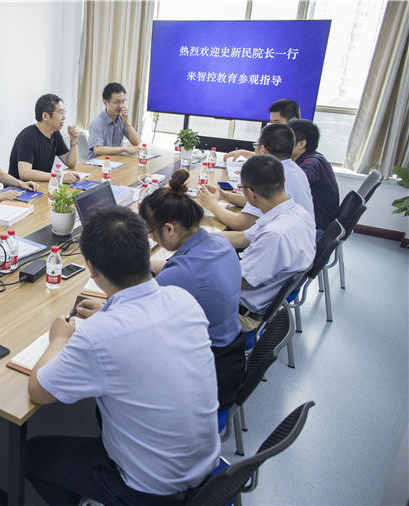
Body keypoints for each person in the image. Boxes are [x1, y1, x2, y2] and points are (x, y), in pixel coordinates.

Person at [26, 207, 220, 506]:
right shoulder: (183, 300)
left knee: (33, 455)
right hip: (206, 470)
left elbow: (38, 391)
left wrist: (59, 340)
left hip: (150, 489)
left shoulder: (99, 336)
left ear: (92, 268)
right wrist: (109, 312)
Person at [139, 169, 244, 409]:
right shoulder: (218, 242)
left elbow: (136, 319)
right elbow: (175, 267)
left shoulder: (182, 276)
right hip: (231, 355)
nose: (152, 238)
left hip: (207, 377)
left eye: (150, 232)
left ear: (169, 229)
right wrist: (142, 264)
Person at [223, 156, 316, 332]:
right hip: (258, 299)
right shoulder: (298, 214)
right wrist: (197, 236)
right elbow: (242, 238)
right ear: (284, 181)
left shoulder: (274, 235)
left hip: (240, 313)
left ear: (251, 193)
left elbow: (233, 282)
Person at [198, 123, 314, 248]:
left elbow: (241, 224)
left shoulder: (270, 175)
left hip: (280, 247)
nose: (254, 150)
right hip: (300, 244)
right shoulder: (291, 169)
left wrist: (212, 205)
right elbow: (256, 201)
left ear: (263, 149)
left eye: (256, 146)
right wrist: (224, 195)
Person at [8, 93, 81, 184]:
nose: (64, 117)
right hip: (18, 189)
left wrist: (74, 142)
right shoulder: (27, 137)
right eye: (60, 113)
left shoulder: (55, 133)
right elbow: (25, 173)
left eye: (64, 113)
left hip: (40, 184)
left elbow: (70, 163)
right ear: (45, 116)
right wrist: (59, 177)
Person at [288, 119, 340, 236]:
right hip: (318, 224)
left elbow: (294, 182)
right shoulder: (315, 158)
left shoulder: (312, 163)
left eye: (286, 139)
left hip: (316, 231)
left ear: (301, 144)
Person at [223, 99, 301, 161]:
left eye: (277, 122)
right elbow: (271, 158)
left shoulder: (298, 144)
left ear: (293, 121)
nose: (273, 126)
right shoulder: (282, 138)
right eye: (271, 122)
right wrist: (243, 152)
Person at [87, 82, 142, 159]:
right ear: (105, 102)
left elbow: (136, 142)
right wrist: (124, 149)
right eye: (117, 102)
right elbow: (98, 150)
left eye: (123, 101)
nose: (121, 106)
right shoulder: (97, 122)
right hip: (97, 162)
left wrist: (127, 123)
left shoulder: (121, 119)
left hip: (115, 161)